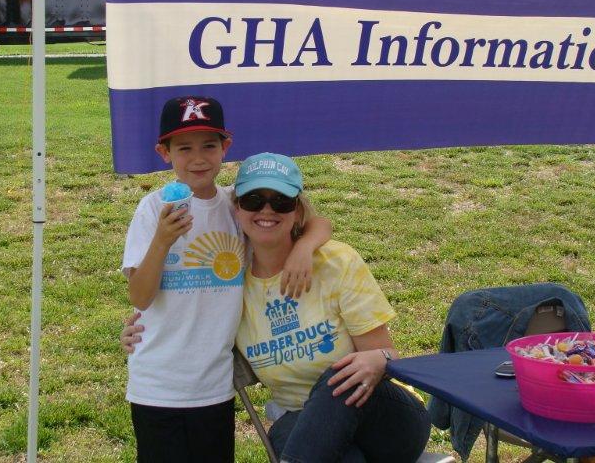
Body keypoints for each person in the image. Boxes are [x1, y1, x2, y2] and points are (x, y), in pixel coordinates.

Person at [123, 151, 431, 463]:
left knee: (335, 378)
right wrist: (146, 328)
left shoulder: (336, 263)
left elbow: (386, 354)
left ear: (297, 211)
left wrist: (378, 359)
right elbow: (194, 308)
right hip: (299, 421)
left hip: (382, 415)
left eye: (281, 202)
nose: (267, 210)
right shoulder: (233, 286)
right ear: (237, 210)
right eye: (254, 200)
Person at [122, 97, 331, 463]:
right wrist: (162, 240)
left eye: (209, 146)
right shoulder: (153, 210)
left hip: (214, 386)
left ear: (226, 148)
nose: (198, 158)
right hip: (156, 383)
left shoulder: (238, 205)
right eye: (184, 148)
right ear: (163, 152)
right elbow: (139, 297)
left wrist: (304, 247)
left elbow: (316, 221)